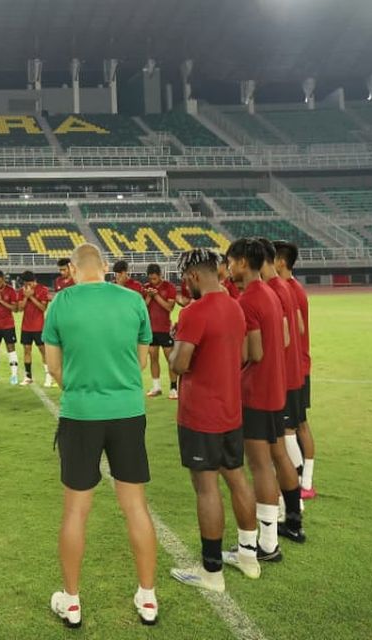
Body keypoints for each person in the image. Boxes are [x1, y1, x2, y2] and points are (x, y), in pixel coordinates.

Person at [44, 243, 160, 629]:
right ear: (105, 267)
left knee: (76, 509)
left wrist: (79, 389)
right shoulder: (133, 300)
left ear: (72, 269)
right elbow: (141, 359)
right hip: (128, 412)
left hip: (81, 414)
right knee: (136, 507)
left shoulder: (60, 303)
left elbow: (53, 365)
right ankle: (148, 597)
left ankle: (72, 601)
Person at [167, 250, 261, 591]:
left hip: (201, 414)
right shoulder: (235, 306)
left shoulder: (194, 311)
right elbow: (244, 356)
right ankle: (249, 555)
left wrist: (176, 341)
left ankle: (211, 572)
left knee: (206, 488)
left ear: (192, 276)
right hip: (231, 410)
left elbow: (179, 364)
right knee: (238, 478)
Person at [224, 238, 294, 566]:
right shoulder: (270, 291)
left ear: (241, 263)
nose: (228, 267)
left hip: (255, 392)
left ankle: (265, 544)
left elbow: (253, 352)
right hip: (274, 388)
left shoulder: (248, 299)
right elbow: (283, 339)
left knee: (259, 465)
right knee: (267, 461)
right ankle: (270, 538)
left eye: (230, 261)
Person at [256, 237, 305, 543]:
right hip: (288, 377)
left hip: (275, 381)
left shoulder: (271, 291)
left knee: (269, 454)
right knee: (277, 450)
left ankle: (269, 533)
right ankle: (294, 515)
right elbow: (295, 329)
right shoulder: (286, 288)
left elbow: (285, 335)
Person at [275, 240, 317, 499]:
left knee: (290, 427)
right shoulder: (294, 288)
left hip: (294, 368)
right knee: (299, 424)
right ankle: (306, 481)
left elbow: (297, 328)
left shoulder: (288, 290)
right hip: (301, 365)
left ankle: (301, 481)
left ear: (280, 261)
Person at [143, 263, 179, 400]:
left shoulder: (169, 287)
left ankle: (173, 388)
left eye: (155, 279)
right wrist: (149, 296)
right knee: (153, 358)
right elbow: (142, 308)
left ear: (160, 276)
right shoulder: (146, 288)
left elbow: (169, 307)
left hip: (164, 329)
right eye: (151, 279)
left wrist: (156, 296)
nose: (153, 281)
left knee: (170, 359)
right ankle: (156, 386)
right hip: (151, 330)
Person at [16, 270, 51, 386]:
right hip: (26, 327)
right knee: (26, 350)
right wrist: (26, 297)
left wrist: (31, 297)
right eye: (25, 284)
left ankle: (49, 377)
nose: (27, 286)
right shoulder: (22, 291)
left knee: (43, 351)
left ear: (34, 281)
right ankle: (28, 377)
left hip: (39, 326)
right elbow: (20, 308)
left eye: (29, 284)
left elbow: (43, 308)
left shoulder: (43, 290)